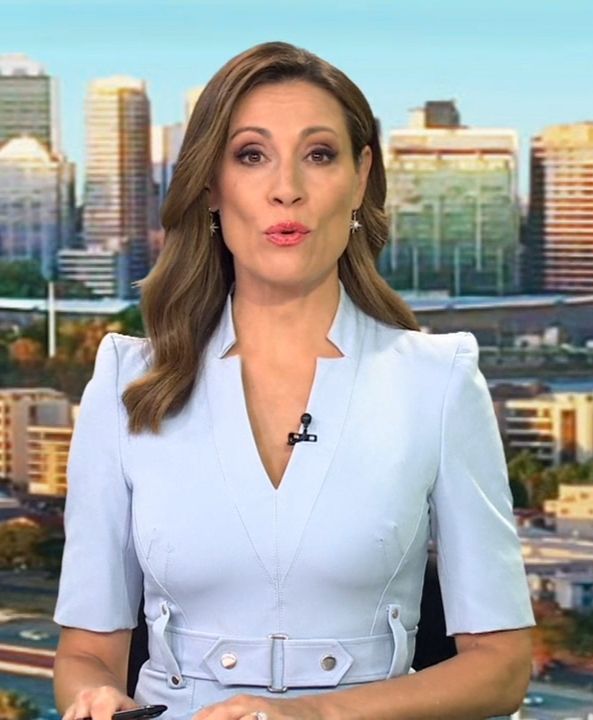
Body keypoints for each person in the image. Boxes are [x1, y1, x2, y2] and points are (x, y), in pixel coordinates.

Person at [53, 41, 536, 720]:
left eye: (319, 154)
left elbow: (502, 669)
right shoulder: (125, 381)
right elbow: (86, 655)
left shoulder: (438, 380)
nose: (287, 188)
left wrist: (311, 716)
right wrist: (96, 697)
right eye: (252, 155)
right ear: (211, 185)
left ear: (360, 178)